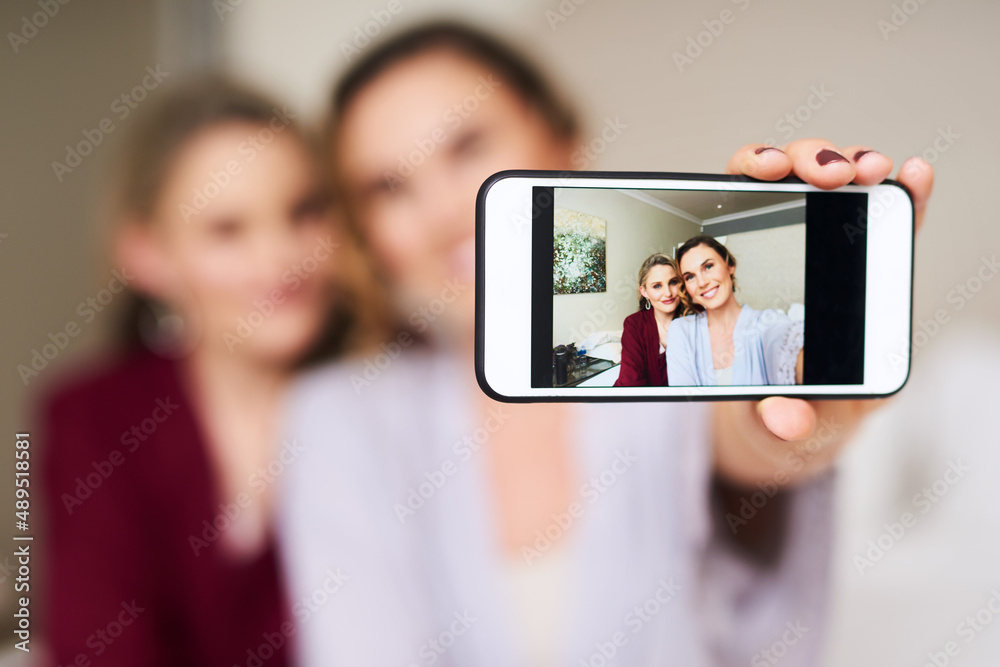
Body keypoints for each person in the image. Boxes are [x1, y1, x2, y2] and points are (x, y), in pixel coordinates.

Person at [276, 21, 935, 667]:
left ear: (563, 141)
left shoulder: (654, 366)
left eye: (466, 145)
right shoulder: (337, 419)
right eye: (387, 187)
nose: (444, 208)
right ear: (365, 236)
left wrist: (792, 430)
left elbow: (744, 447)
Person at [39, 76, 348, 666]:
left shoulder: (394, 392)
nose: (280, 257)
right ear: (146, 256)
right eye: (227, 230)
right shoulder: (93, 417)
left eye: (305, 212)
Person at [667, 235, 802, 386]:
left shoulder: (768, 323)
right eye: (690, 277)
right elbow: (682, 402)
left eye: (708, 267)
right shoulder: (681, 331)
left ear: (729, 265)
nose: (702, 282)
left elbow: (791, 343)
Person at [614, 253, 685, 387]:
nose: (668, 293)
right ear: (644, 291)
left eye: (673, 282)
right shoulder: (634, 324)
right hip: (637, 403)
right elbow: (631, 383)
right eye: (657, 286)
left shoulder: (695, 319)